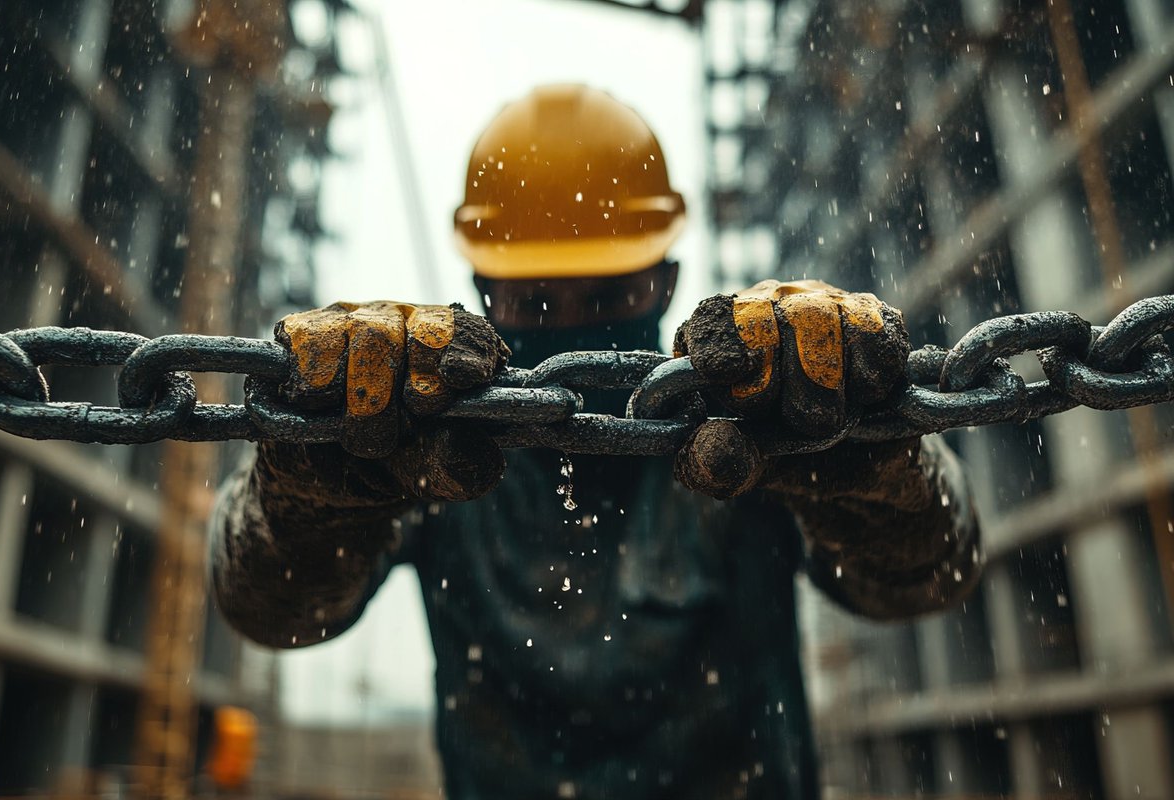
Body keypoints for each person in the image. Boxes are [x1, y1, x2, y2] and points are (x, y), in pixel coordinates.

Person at [211, 84, 981, 799]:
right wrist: (307, 487)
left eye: (610, 295)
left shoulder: (758, 421)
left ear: (668, 283)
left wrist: (871, 463)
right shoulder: (422, 447)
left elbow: (928, 577)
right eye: (538, 300)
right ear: (484, 292)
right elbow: (271, 609)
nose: (575, 326)